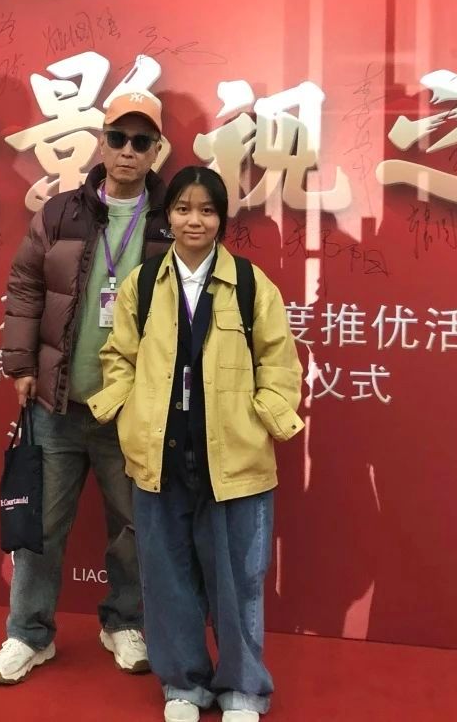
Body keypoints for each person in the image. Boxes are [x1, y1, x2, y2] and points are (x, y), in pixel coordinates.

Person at [88, 165, 305, 722]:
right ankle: (183, 685)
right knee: (166, 580)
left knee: (239, 585)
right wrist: (126, 411)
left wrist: (263, 419)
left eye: (207, 210)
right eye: (183, 209)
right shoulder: (143, 284)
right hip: (159, 459)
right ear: (168, 216)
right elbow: (118, 356)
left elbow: (280, 364)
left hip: (234, 461)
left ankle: (243, 689)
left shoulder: (251, 285)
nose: (194, 221)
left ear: (221, 220)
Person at [0, 90, 174, 684]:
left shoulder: (174, 219)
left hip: (133, 409)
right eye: (118, 138)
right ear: (102, 141)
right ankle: (28, 634)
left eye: (141, 141)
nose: (127, 150)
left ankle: (125, 622)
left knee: (133, 528)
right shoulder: (60, 213)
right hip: (58, 402)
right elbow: (25, 285)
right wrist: (21, 364)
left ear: (157, 150)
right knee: (40, 528)